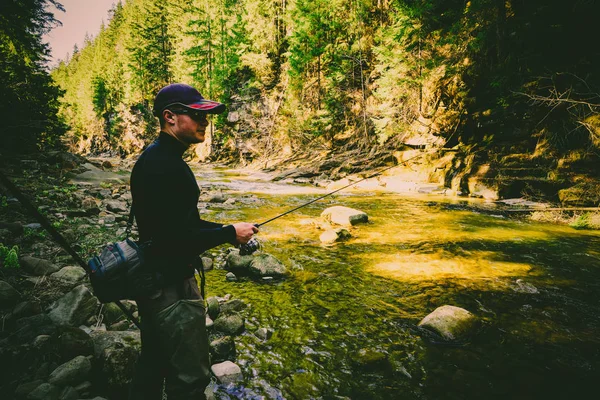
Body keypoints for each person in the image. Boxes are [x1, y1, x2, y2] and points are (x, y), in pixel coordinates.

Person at [128, 83, 258, 400]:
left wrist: (230, 227)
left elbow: (180, 225)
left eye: (207, 115)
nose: (205, 122)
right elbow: (177, 239)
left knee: (153, 365)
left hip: (155, 283)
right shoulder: (165, 166)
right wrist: (229, 234)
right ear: (170, 117)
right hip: (170, 289)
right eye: (197, 114)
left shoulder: (157, 158)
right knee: (188, 380)